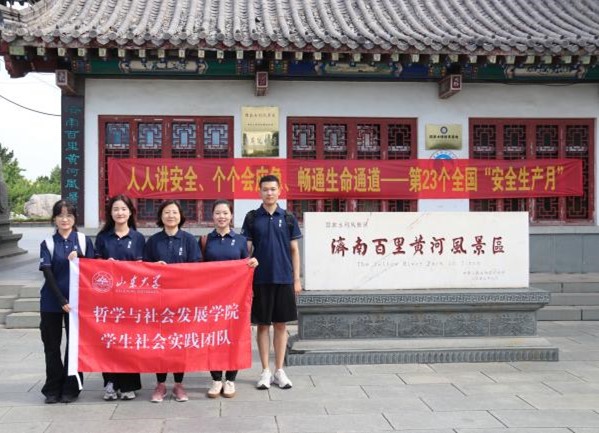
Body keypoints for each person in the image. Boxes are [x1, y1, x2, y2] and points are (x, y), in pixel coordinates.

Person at [241, 175, 302, 390]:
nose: (269, 193)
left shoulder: (288, 217)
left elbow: (294, 250)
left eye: (273, 189)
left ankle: (279, 370)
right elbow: (246, 250)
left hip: (284, 278)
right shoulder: (251, 218)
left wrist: (296, 279)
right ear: (259, 192)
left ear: (279, 190)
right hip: (260, 279)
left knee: (281, 325)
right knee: (262, 325)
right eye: (265, 189)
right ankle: (265, 370)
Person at [143, 200, 202, 402]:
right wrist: (154, 267)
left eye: (174, 212)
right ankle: (160, 384)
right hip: (158, 300)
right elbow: (143, 267)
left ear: (180, 216)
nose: (170, 216)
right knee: (159, 342)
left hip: (182, 300)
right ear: (161, 216)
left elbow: (196, 267)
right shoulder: (153, 241)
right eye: (166, 212)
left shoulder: (189, 240)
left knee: (179, 343)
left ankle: (178, 384)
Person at [201, 200, 258, 399]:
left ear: (231, 216)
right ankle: (216, 379)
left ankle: (231, 379)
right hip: (212, 298)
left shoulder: (241, 241)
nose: (221, 217)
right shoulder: (205, 240)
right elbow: (198, 269)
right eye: (217, 213)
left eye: (225, 213)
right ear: (212, 216)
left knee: (234, 336)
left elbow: (245, 266)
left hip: (235, 299)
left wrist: (252, 263)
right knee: (214, 338)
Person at [39, 199, 95, 404]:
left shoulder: (83, 240)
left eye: (69, 215)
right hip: (51, 302)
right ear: (54, 219)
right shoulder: (48, 243)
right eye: (60, 215)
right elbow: (47, 273)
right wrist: (61, 299)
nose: (65, 219)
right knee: (52, 346)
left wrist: (80, 256)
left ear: (75, 218)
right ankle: (52, 388)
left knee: (74, 346)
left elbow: (93, 268)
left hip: (78, 304)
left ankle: (71, 387)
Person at [95, 195, 145, 401]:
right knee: (109, 341)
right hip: (109, 299)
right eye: (116, 209)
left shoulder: (138, 238)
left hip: (131, 299)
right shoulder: (103, 238)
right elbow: (95, 267)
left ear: (130, 212)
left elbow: (143, 268)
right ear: (110, 213)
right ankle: (110, 382)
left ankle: (128, 385)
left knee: (129, 341)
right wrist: (105, 265)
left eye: (124, 209)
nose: (120, 213)